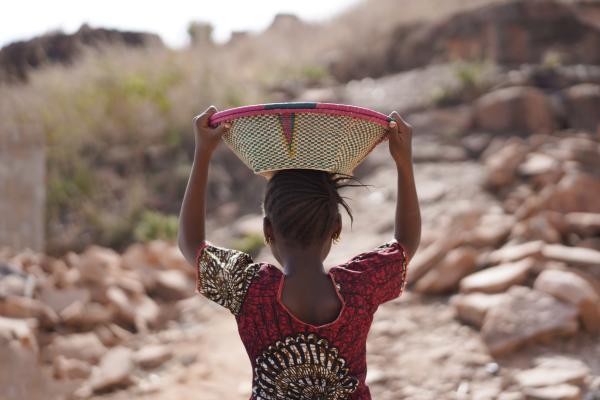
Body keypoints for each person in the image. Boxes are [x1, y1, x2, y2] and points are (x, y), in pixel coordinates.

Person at [178, 105, 421, 400]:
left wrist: (203, 152)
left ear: (268, 231)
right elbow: (405, 243)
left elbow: (191, 244)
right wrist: (403, 161)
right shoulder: (360, 285)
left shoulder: (250, 290)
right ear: (337, 226)